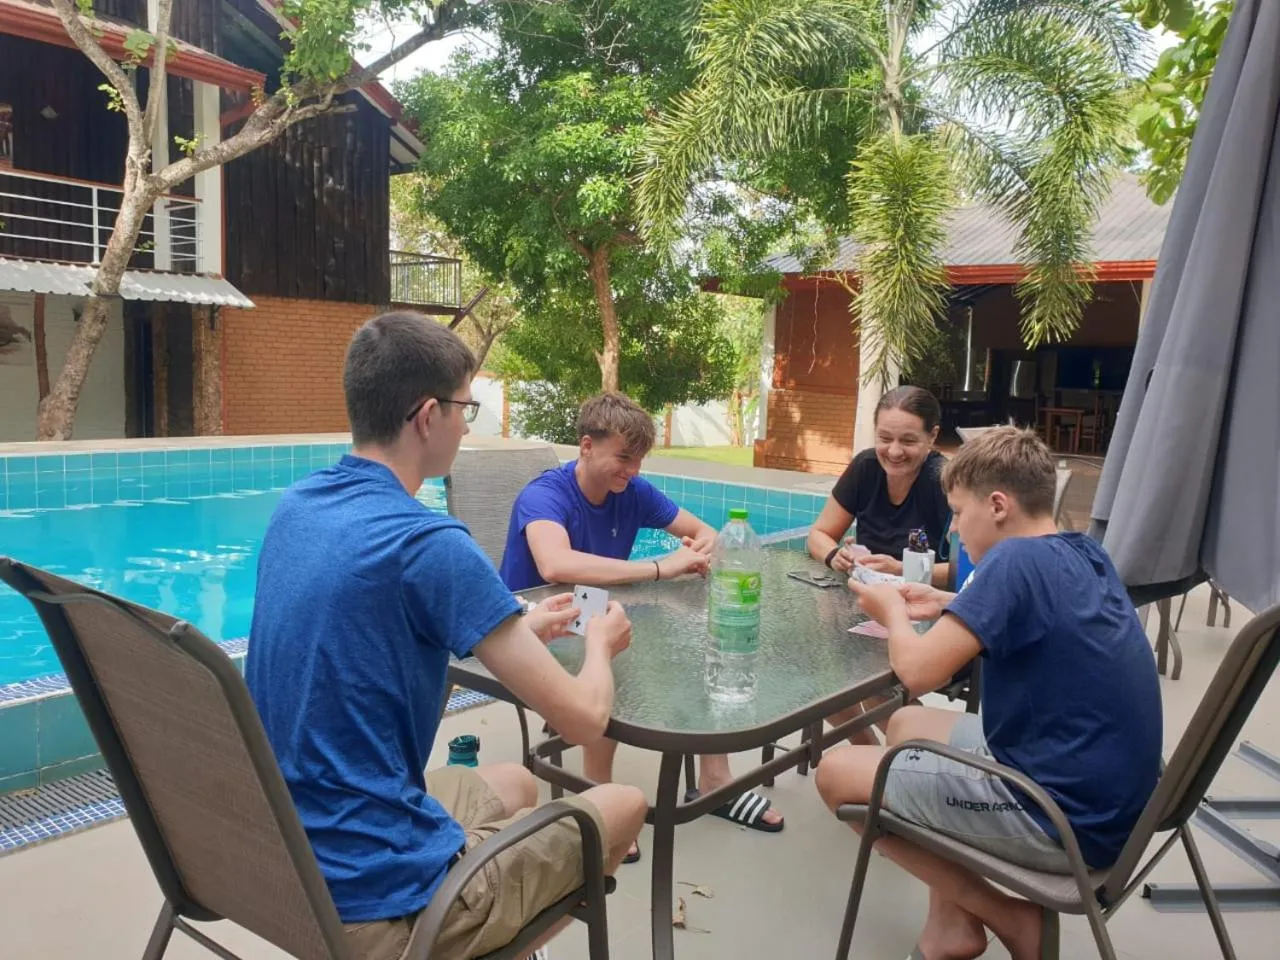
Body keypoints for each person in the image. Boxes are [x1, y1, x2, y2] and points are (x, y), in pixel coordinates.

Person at [245, 312, 648, 960]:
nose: (468, 423)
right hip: (376, 909)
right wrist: (598, 646)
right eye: (468, 407)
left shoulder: (298, 505)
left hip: (282, 853)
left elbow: (377, 620)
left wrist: (517, 627)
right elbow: (582, 720)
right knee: (623, 803)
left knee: (517, 786)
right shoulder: (430, 543)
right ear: (428, 416)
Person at [815, 427, 1162, 960]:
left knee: (837, 775)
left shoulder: (1011, 562)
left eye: (957, 513)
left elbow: (916, 673)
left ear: (998, 505)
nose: (953, 528)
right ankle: (949, 928)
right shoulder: (1082, 552)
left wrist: (892, 610)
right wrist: (948, 600)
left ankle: (1011, 918)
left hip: (1060, 818)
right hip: (1112, 797)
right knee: (907, 726)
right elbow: (1038, 613)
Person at [500, 392, 785, 859]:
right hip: (535, 627)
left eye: (639, 460)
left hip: (593, 610)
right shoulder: (545, 494)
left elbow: (705, 534)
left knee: (699, 637)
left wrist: (695, 555)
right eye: (624, 457)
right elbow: (554, 565)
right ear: (587, 446)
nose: (632, 470)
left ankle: (717, 781)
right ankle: (597, 799)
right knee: (615, 659)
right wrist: (660, 568)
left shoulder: (633, 492)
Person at [807, 385, 951, 588]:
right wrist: (835, 555)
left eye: (908, 441)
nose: (894, 452)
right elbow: (818, 534)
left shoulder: (945, 480)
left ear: (932, 435)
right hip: (868, 598)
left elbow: (972, 570)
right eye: (884, 438)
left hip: (925, 605)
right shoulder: (865, 467)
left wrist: (901, 568)